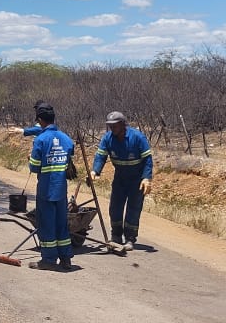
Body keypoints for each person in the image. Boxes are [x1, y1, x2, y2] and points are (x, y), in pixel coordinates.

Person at [22, 101, 76, 269]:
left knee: (46, 224)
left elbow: (35, 166)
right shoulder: (66, 139)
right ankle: (66, 258)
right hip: (61, 190)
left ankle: (48, 260)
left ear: (40, 120)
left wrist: (30, 159)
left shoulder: (40, 140)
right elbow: (68, 157)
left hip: (46, 189)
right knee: (61, 224)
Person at [88, 111, 153, 251]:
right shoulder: (107, 139)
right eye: (110, 126)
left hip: (137, 180)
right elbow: (101, 156)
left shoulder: (137, 137)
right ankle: (116, 236)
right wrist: (95, 171)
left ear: (123, 124)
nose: (112, 128)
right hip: (120, 179)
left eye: (115, 125)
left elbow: (148, 159)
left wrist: (147, 178)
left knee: (133, 210)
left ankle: (130, 239)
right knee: (115, 208)